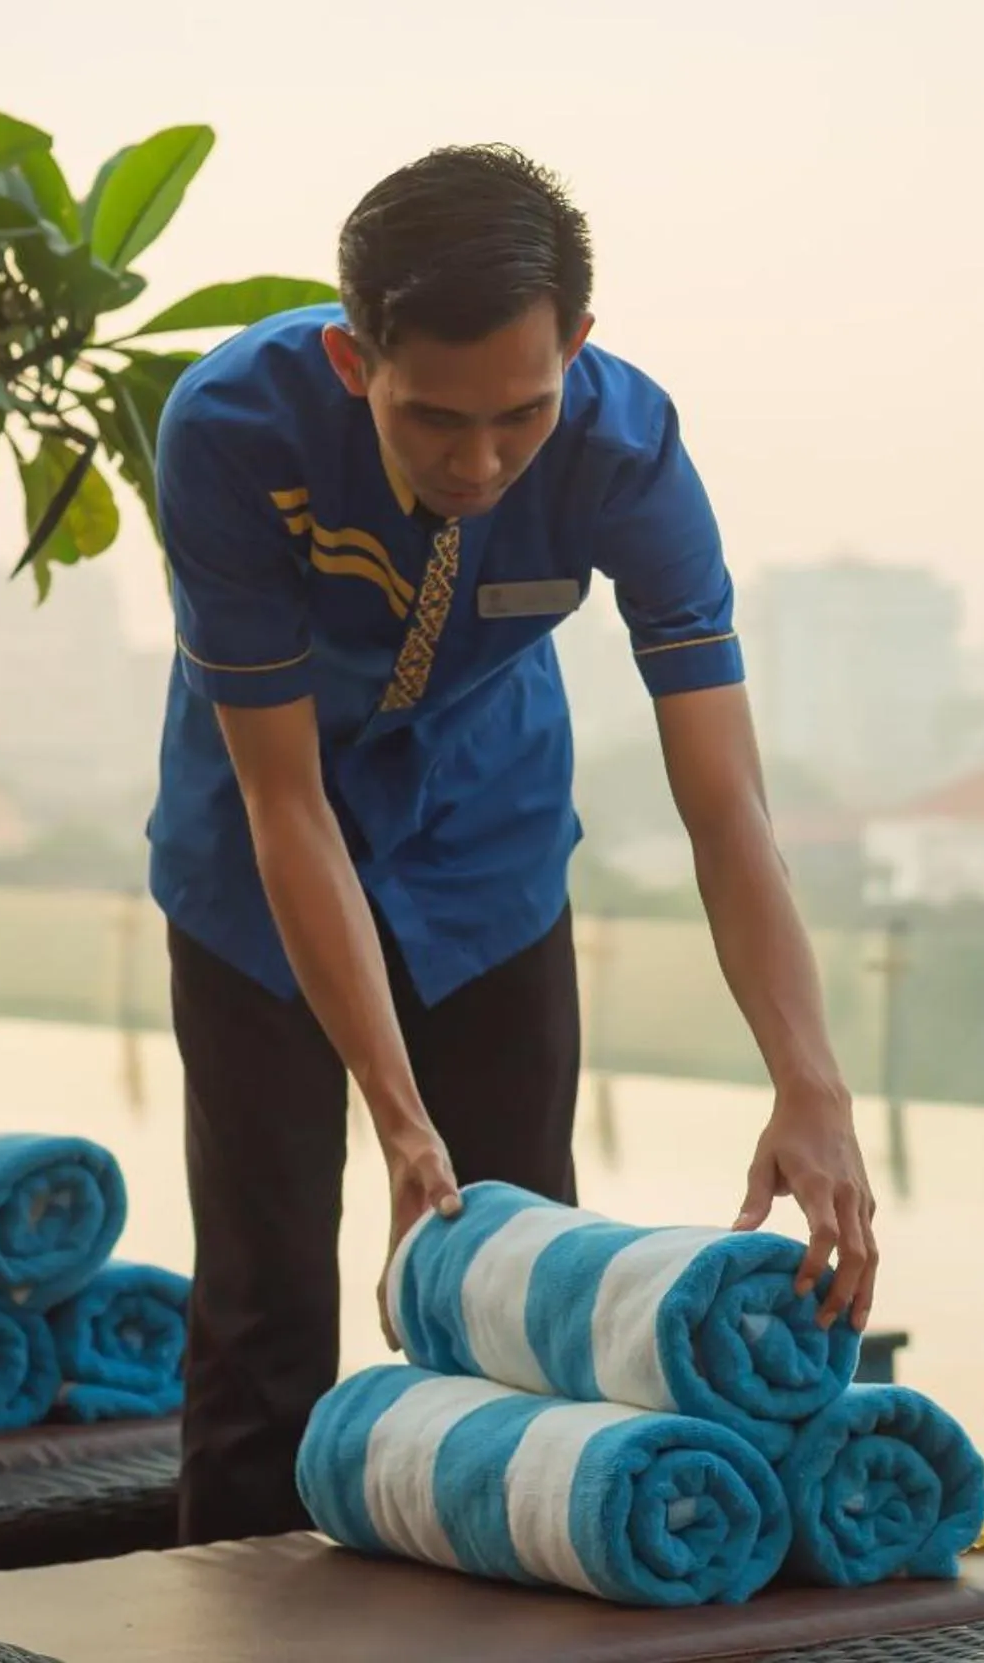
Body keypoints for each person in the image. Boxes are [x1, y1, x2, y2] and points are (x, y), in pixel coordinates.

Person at [146, 143, 878, 1546]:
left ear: (578, 352)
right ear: (357, 360)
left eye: (520, 418)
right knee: (266, 1306)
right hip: (261, 872)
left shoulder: (627, 450)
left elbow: (726, 807)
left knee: (518, 1288)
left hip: (488, 852)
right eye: (433, 420)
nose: (479, 463)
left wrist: (812, 1083)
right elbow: (285, 805)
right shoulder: (232, 428)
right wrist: (396, 1110)